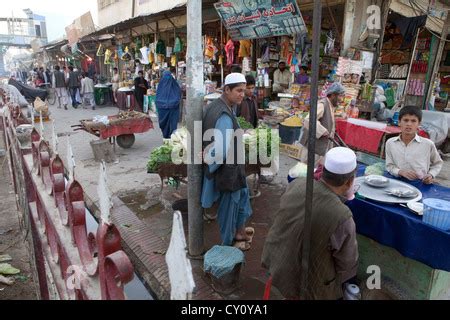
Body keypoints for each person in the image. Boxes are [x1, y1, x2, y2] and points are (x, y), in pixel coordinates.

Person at [261, 147, 359, 300]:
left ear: (323, 172)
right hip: (306, 287)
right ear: (350, 182)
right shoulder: (342, 216)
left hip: (276, 263)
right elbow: (346, 263)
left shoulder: (297, 184)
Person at [201, 73, 253, 251]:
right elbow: (221, 150)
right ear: (227, 89)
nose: (242, 95)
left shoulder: (219, 106)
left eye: (244, 91)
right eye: (238, 90)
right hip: (228, 171)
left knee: (242, 199)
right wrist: (208, 159)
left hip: (232, 168)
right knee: (228, 210)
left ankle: (239, 233)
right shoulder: (223, 113)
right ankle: (227, 245)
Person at [386, 106, 443, 184]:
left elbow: (437, 163)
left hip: (420, 184)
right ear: (399, 122)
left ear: (419, 124)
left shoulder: (428, 144)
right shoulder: (390, 143)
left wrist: (431, 175)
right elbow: (389, 166)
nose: (409, 124)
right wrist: (400, 172)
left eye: (413, 121)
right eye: (405, 120)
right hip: (396, 182)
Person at [299, 82, 346, 166]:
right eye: (340, 96)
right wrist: (323, 131)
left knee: (315, 167)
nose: (341, 99)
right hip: (314, 145)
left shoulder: (330, 105)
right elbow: (309, 120)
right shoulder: (322, 105)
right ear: (333, 95)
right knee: (307, 166)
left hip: (320, 145)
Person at [155, 70, 182, 138]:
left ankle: (172, 137)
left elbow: (178, 95)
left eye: (168, 77)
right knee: (163, 124)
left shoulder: (172, 85)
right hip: (164, 108)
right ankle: (166, 136)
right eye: (165, 77)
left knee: (173, 124)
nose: (167, 78)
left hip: (172, 108)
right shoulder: (162, 85)